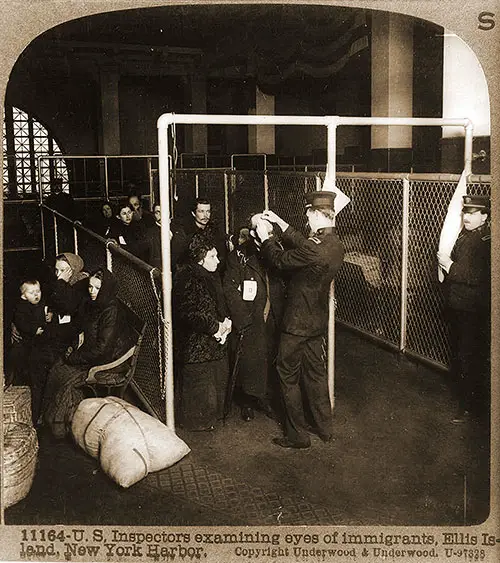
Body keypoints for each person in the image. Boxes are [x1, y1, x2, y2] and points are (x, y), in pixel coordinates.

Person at [255, 191, 345, 449]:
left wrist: (267, 237)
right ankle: (325, 428)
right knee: (316, 374)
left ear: (317, 215)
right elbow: (305, 245)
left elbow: (279, 260)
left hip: (296, 324)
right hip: (316, 322)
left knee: (287, 375)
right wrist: (282, 224)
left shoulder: (314, 251)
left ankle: (297, 435)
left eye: (308, 214)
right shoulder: (334, 244)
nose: (306, 218)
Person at [42, 268, 134, 438]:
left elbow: (103, 348)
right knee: (57, 368)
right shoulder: (97, 304)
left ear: (105, 288)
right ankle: (57, 421)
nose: (92, 292)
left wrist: (74, 357)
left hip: (107, 360)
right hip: (93, 353)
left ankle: (61, 427)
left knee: (65, 376)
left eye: (97, 288)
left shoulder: (110, 311)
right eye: (90, 287)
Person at [223, 215, 285, 422]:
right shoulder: (238, 257)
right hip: (251, 317)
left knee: (270, 356)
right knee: (250, 360)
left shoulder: (276, 251)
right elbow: (230, 290)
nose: (266, 237)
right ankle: (248, 401)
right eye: (261, 232)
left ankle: (264, 397)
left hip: (274, 315)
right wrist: (243, 320)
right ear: (251, 234)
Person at [437, 195, 491, 424]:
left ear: (484, 216)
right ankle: (468, 401)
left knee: (470, 355)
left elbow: (477, 276)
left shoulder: (483, 241)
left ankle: (471, 407)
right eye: (465, 213)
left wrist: (449, 266)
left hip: (471, 307)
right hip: (460, 305)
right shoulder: (467, 235)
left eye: (473, 213)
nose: (467, 217)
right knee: (462, 353)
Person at [173, 233, 232, 431]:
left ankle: (208, 422)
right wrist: (215, 326)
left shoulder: (206, 274)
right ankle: (198, 426)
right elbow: (188, 312)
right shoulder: (188, 277)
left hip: (208, 344)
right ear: (200, 259)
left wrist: (224, 321)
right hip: (195, 346)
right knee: (199, 391)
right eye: (213, 257)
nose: (218, 259)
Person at [8, 279, 54, 423]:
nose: (36, 295)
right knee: (27, 379)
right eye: (32, 292)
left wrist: (50, 314)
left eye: (38, 291)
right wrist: (34, 330)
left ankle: (36, 414)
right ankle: (27, 415)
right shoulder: (21, 307)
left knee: (38, 380)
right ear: (23, 296)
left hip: (38, 347)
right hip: (26, 348)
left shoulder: (41, 303)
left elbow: (48, 310)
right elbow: (21, 322)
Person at [175, 198, 227, 271]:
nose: (205, 215)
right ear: (193, 213)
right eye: (201, 211)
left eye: (208, 211)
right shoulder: (184, 232)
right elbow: (179, 260)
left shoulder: (215, 231)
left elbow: (221, 255)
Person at [146, 203, 187, 271]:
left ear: (168, 213)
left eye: (163, 212)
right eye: (157, 212)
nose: (161, 215)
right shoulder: (150, 232)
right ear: (154, 214)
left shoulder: (178, 228)